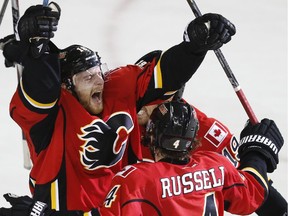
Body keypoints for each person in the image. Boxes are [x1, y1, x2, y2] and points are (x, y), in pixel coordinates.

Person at [0, 1, 236, 212]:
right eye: (87, 77)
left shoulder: (119, 87)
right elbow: (42, 88)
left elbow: (164, 76)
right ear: (66, 86)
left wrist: (192, 47)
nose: (99, 80)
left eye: (98, 72)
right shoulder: (52, 113)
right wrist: (35, 50)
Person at [0, 100, 284, 215]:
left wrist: (43, 213)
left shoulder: (137, 178)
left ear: (152, 137)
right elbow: (254, 192)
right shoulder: (218, 166)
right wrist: (258, 151)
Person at [136, 52, 288, 216]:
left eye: (153, 96)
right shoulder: (113, 113)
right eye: (137, 91)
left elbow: (251, 193)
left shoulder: (202, 132)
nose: (139, 104)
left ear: (175, 99)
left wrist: (257, 153)